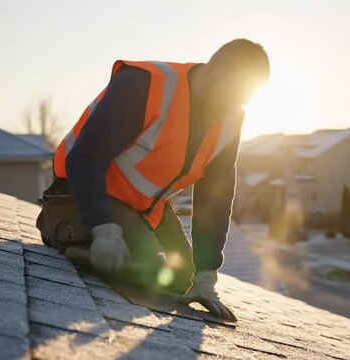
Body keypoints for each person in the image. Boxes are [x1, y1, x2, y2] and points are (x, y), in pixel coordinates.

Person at [36, 39, 270, 322]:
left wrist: (207, 275)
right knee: (149, 267)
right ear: (217, 69)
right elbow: (83, 158)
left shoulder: (231, 119)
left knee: (181, 276)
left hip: (144, 208)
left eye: (242, 99)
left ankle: (116, 248)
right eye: (233, 94)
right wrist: (104, 229)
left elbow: (215, 199)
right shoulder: (144, 84)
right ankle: (67, 233)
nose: (233, 105)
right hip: (84, 194)